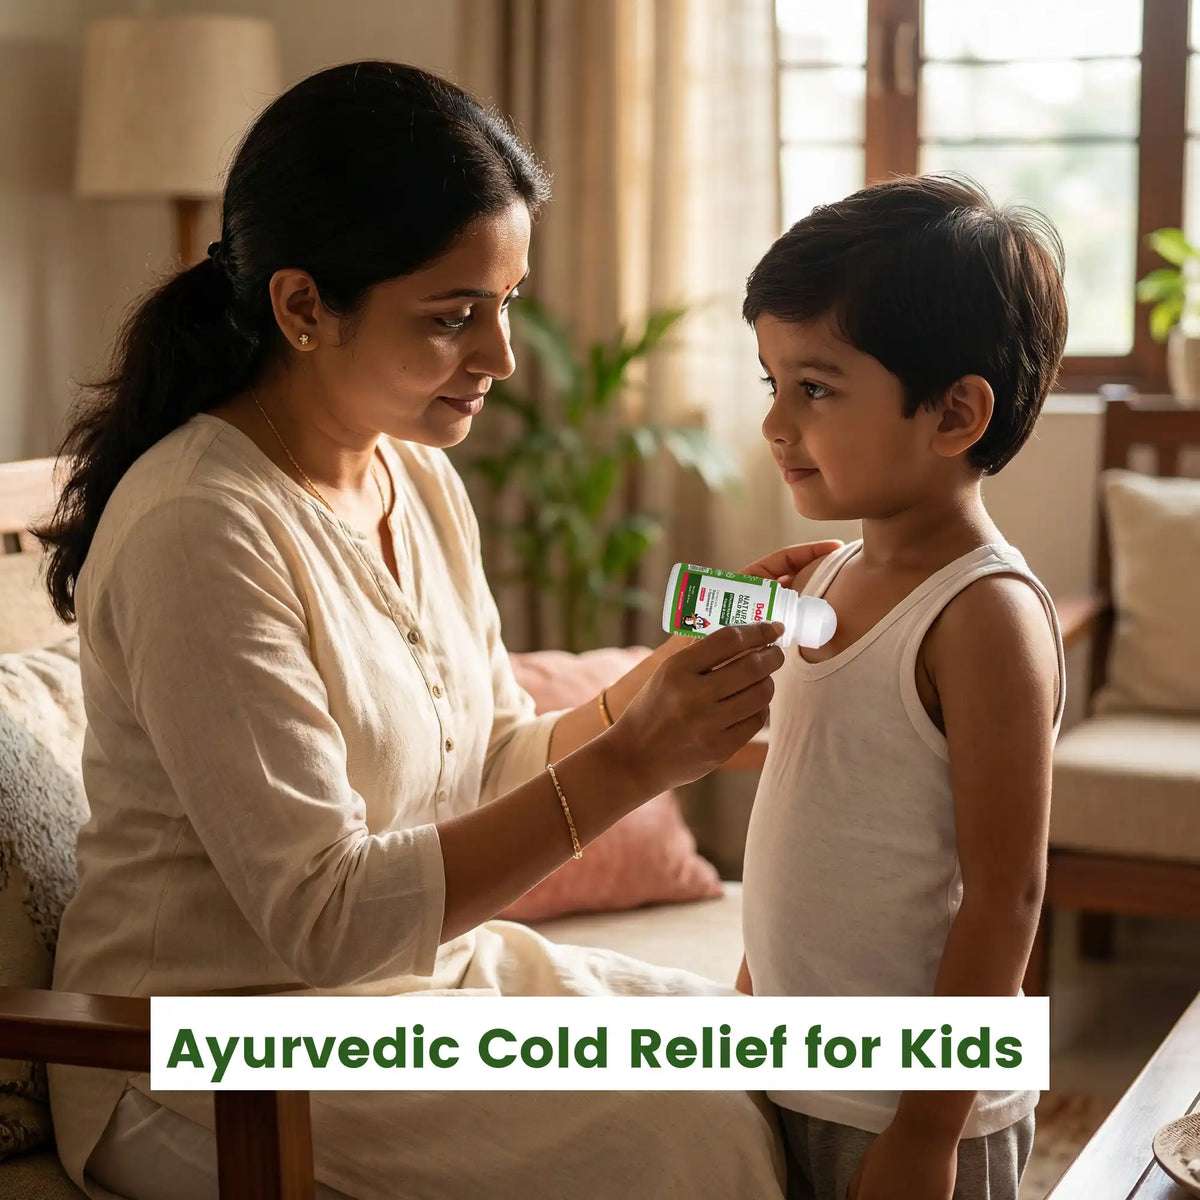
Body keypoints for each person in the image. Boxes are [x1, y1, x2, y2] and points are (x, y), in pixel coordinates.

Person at [38, 61, 837, 1200]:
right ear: (303, 306)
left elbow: (491, 755)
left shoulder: (412, 476)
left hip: (419, 992)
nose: (500, 358)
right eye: (454, 317)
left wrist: (662, 694)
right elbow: (327, 922)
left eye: (505, 304)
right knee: (684, 1132)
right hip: (207, 1058)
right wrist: (633, 761)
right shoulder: (198, 531)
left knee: (770, 1051)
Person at [734, 175, 1068, 1200]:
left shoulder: (986, 619)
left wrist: (927, 1136)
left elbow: (1006, 896)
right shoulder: (830, 575)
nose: (776, 425)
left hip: (907, 1108)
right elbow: (808, 790)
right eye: (770, 384)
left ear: (956, 414)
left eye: (816, 388)